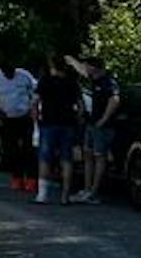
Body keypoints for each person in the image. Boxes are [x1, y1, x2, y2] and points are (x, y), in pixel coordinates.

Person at [67, 53, 121, 204]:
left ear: (94, 67)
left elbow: (115, 100)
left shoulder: (107, 82)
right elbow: (81, 71)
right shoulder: (94, 80)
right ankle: (86, 189)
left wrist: (104, 119)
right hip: (91, 124)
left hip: (102, 127)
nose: (85, 69)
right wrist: (72, 61)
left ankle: (94, 192)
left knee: (99, 156)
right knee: (88, 155)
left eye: (87, 66)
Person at [33, 54, 81, 205]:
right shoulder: (72, 82)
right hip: (68, 123)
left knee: (45, 158)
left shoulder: (45, 81)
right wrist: (77, 120)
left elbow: (35, 102)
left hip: (48, 122)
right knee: (67, 159)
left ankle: (42, 194)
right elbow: (80, 105)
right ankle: (65, 196)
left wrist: (35, 120)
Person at [0, 60, 39, 192]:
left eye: (12, 71)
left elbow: (35, 92)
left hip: (24, 117)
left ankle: (31, 179)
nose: (10, 74)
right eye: (7, 72)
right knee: (12, 149)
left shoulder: (24, 75)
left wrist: (32, 109)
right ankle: (17, 178)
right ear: (2, 71)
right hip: (7, 118)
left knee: (28, 148)